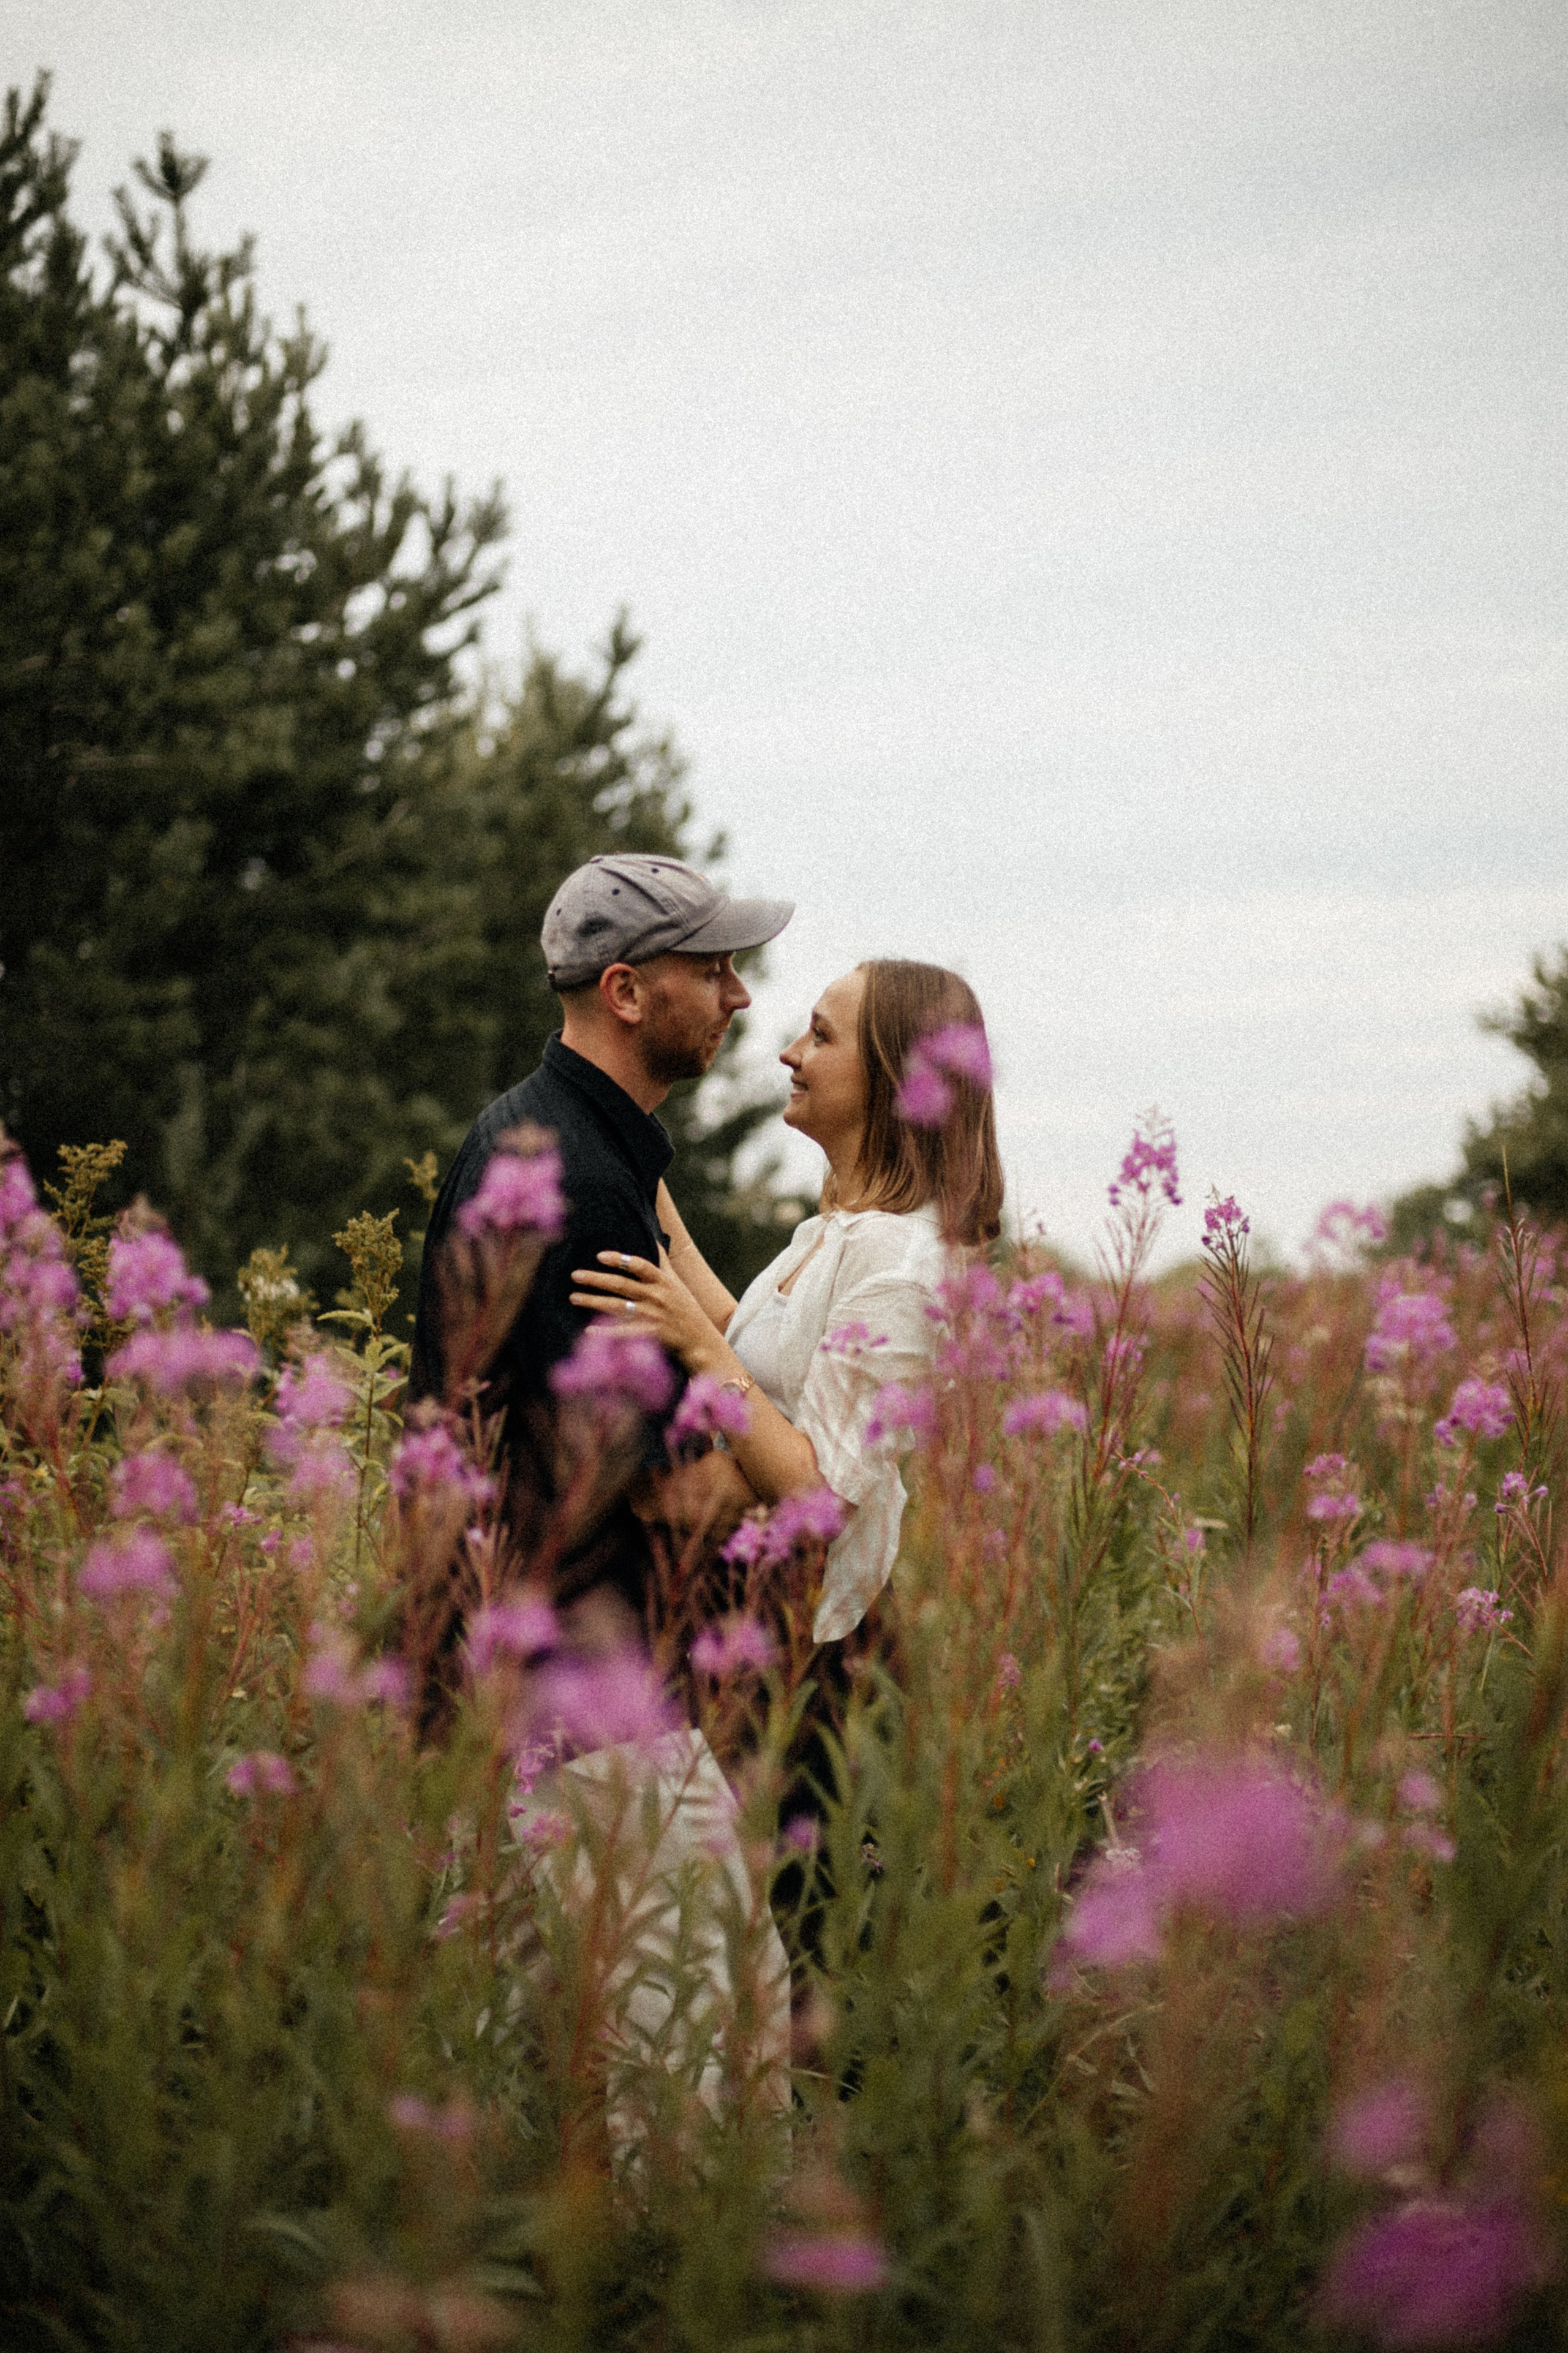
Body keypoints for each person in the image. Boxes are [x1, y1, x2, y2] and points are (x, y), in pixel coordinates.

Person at [409, 850, 793, 1651]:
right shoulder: (583, 1186)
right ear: (624, 991)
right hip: (569, 1695)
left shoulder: (554, 1137)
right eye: (712, 969)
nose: (739, 994)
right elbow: (673, 1491)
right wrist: (821, 1485)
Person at [570, 957, 1003, 1644]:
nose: (790, 1054)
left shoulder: (903, 1264)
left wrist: (700, 1347)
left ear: (892, 1078)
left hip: (807, 1646)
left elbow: (818, 1492)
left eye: (822, 1037)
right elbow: (737, 1332)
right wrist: (629, 1157)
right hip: (744, 1607)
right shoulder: (836, 1230)